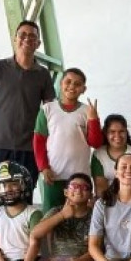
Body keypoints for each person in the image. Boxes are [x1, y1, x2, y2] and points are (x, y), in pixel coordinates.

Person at [0, 20, 56, 198]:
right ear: (15, 39)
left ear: (38, 43)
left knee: (23, 198)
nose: (27, 39)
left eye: (32, 36)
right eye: (22, 35)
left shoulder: (43, 75)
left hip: (29, 149)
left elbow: (51, 112)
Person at [32, 68, 103, 212]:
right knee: (52, 215)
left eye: (77, 84)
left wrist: (93, 120)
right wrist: (43, 167)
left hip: (80, 177)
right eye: (68, 82)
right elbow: (39, 141)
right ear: (60, 83)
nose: (72, 86)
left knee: (80, 214)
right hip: (54, 175)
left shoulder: (87, 111)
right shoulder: (47, 109)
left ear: (83, 89)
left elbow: (95, 143)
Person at [91, 114, 131, 196]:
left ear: (126, 132)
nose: (117, 136)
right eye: (112, 132)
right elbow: (100, 186)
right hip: (106, 198)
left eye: (121, 131)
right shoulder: (98, 155)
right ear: (106, 133)